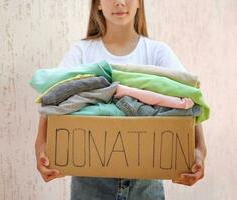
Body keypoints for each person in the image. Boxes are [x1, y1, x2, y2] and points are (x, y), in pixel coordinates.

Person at [35, 0, 207, 199]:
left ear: (139, 3)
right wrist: (40, 147)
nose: (119, 2)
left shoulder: (157, 52)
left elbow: (187, 101)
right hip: (90, 183)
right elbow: (54, 96)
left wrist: (199, 151)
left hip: (146, 185)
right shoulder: (82, 51)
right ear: (98, 4)